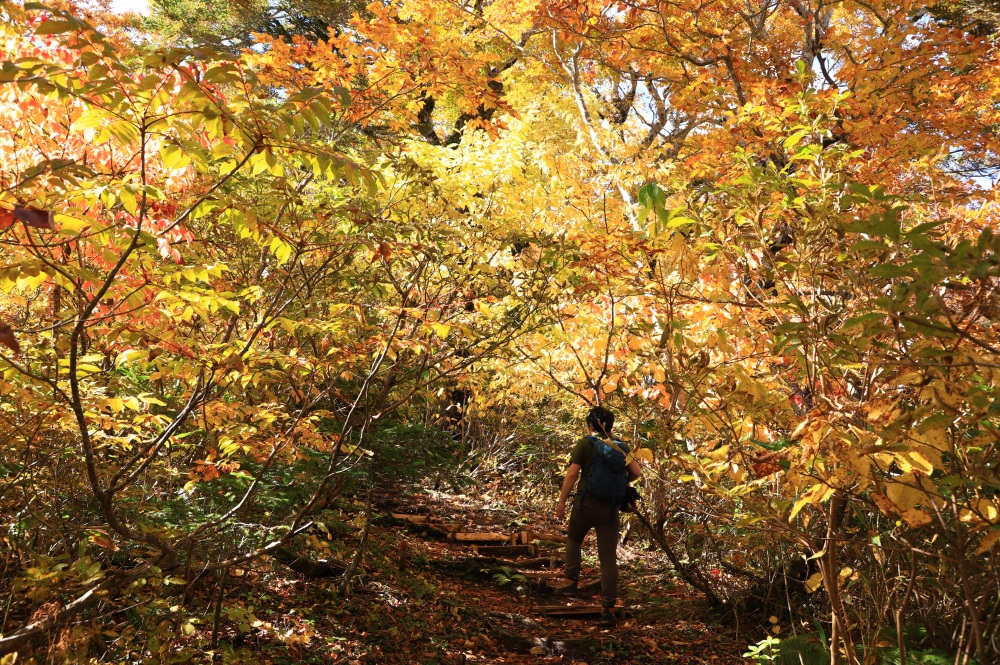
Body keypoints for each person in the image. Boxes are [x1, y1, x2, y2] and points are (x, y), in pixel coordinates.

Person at [554, 405, 641, 626]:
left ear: (590, 425)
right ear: (609, 426)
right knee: (608, 558)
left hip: (586, 504)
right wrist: (620, 484)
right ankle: (607, 607)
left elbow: (573, 473)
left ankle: (571, 583)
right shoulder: (621, 446)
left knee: (574, 539)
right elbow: (636, 472)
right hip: (610, 509)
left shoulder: (586, 443)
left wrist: (562, 501)